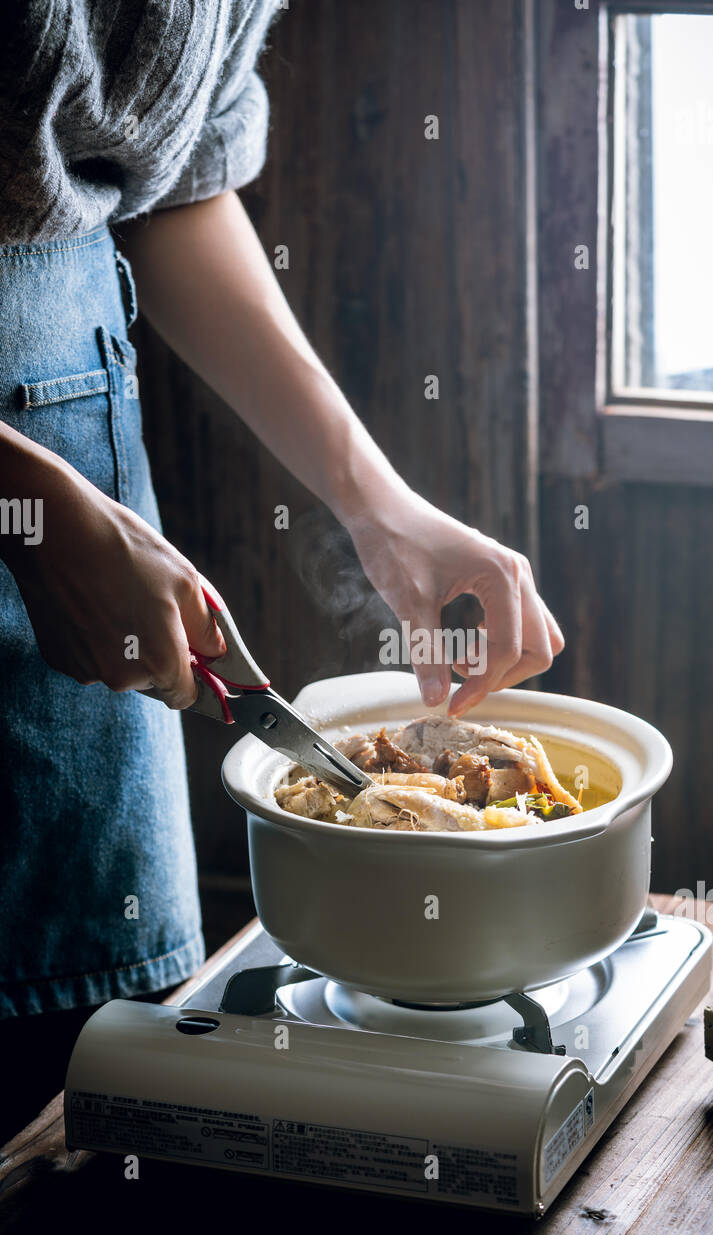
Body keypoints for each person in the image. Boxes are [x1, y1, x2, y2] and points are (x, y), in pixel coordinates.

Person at [0, 3, 563, 1130]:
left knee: (84, 1063)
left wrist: (378, 502)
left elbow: (177, 192)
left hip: (81, 439)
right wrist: (33, 508)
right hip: (50, 491)